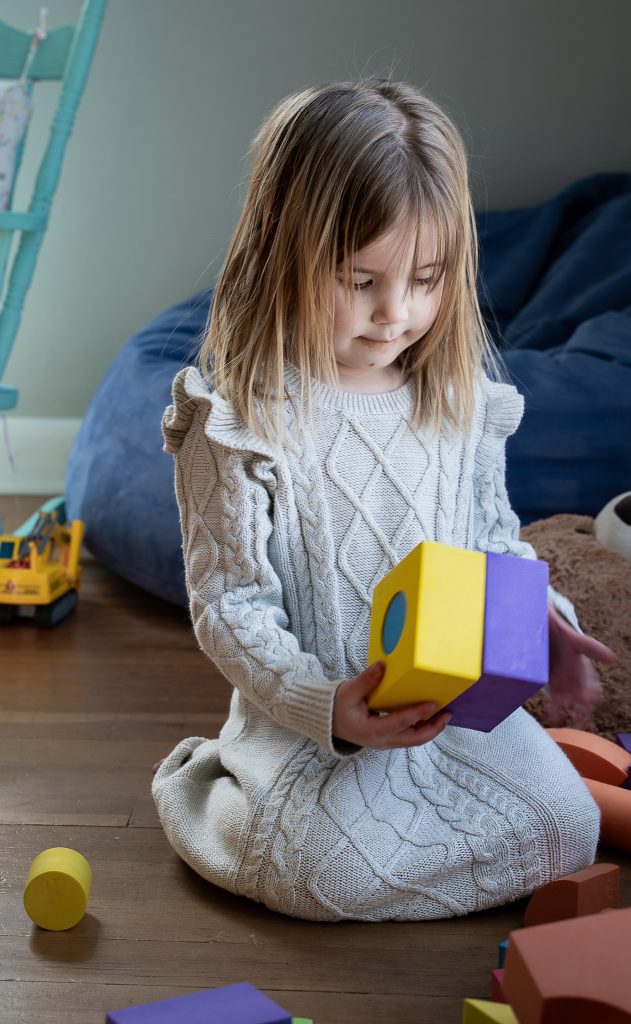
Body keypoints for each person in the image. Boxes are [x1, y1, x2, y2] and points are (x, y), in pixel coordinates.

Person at [152, 76, 617, 922]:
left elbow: (490, 538)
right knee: (327, 875)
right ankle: (214, 794)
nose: (394, 314)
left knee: (567, 827)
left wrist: (533, 615)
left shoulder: (458, 401)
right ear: (279, 253)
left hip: (448, 722)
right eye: (358, 280)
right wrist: (325, 706)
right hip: (315, 732)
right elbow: (229, 606)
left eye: (426, 279)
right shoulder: (235, 422)